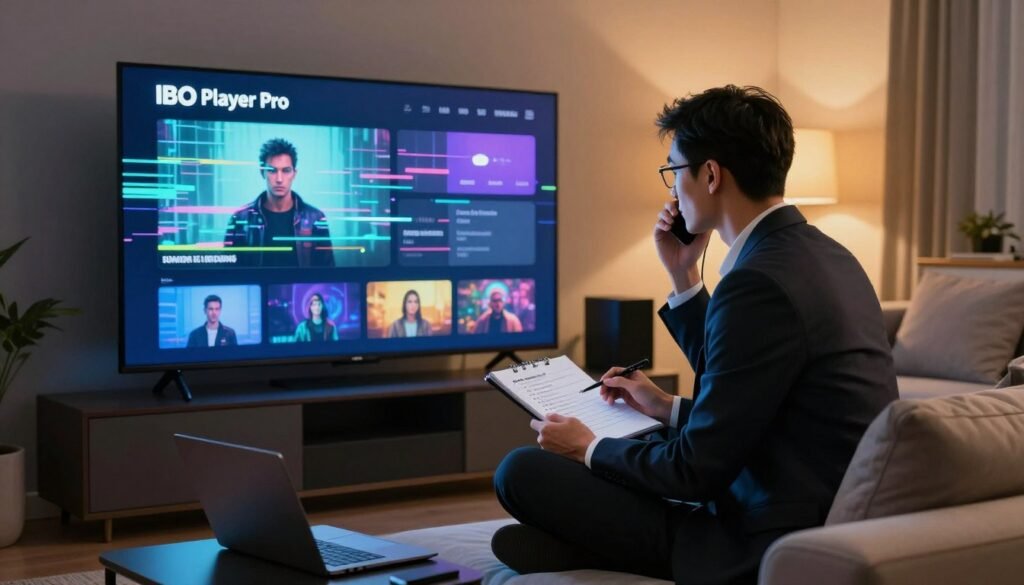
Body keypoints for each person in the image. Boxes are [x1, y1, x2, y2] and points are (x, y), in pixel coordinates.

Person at [491, 86, 898, 585]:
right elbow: (758, 399)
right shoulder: (828, 255)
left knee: (522, 471)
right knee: (644, 439)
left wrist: (588, 446)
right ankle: (578, 548)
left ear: (709, 174)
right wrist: (669, 396)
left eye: (674, 171)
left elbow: (694, 470)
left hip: (759, 539)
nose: (672, 191)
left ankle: (589, 549)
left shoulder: (757, 281)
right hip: (796, 496)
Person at [224, 138, 334, 267]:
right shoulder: (240, 219)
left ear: (294, 174)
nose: (279, 179)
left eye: (286, 170)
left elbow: (327, 272)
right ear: (262, 172)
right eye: (272, 170)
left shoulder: (315, 218)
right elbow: (229, 273)